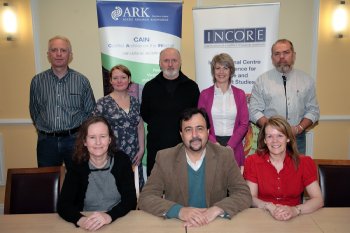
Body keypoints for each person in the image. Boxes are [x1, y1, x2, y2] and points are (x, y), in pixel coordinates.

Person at [138, 108, 252, 227]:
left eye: (200, 128)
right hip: (178, 225)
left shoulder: (224, 156)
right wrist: (179, 211)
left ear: (208, 132)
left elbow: (243, 193)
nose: (194, 135)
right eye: (188, 130)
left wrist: (217, 209)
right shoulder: (165, 158)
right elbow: (146, 197)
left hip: (214, 223)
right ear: (181, 134)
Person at [57, 116, 137, 231]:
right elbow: (63, 205)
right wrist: (81, 220)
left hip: (118, 219)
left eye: (103, 136)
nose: (98, 142)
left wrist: (109, 216)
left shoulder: (121, 160)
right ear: (84, 141)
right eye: (92, 137)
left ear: (109, 139)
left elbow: (130, 200)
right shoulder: (77, 164)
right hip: (88, 223)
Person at [29, 35, 95, 170]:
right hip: (47, 142)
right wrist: (44, 129)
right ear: (48, 54)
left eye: (63, 50)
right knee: (47, 182)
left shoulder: (82, 81)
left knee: (79, 182)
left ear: (70, 55)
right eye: (54, 50)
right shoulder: (37, 81)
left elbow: (90, 112)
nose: (59, 54)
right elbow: (34, 110)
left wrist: (82, 137)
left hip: (75, 140)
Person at [243, 116, 323, 221]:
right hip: (262, 215)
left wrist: (295, 210)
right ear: (265, 140)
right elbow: (251, 198)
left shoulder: (304, 162)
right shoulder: (252, 161)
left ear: (288, 138)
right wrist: (269, 206)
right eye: (270, 136)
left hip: (295, 217)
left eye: (280, 136)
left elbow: (318, 200)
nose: (274, 141)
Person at [248, 39, 320, 154]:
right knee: (267, 171)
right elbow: (254, 111)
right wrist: (275, 129)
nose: (281, 57)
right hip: (270, 138)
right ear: (272, 57)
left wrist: (298, 128)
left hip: (297, 138)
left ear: (294, 55)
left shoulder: (306, 80)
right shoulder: (262, 81)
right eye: (277, 53)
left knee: (296, 170)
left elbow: (313, 111)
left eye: (286, 52)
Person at [140, 48, 200, 176]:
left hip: (184, 147)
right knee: (156, 186)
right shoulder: (150, 87)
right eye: (166, 61)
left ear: (180, 62)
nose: (170, 64)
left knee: (183, 186)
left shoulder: (191, 87)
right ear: (160, 63)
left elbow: (197, 118)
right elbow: (145, 115)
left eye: (174, 60)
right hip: (157, 147)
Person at [93, 64, 145, 189]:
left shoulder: (136, 102)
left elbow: (140, 126)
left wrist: (142, 149)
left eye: (123, 77)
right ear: (110, 80)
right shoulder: (102, 103)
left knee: (134, 189)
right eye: (115, 78)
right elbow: (94, 129)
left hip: (133, 153)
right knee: (114, 189)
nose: (119, 81)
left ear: (129, 79)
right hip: (111, 153)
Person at [198, 53, 249, 170]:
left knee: (233, 186)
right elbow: (201, 124)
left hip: (234, 146)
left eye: (225, 68)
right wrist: (214, 144)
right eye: (218, 68)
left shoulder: (240, 94)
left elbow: (244, 124)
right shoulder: (204, 94)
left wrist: (230, 146)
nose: (221, 72)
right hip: (211, 145)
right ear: (213, 71)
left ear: (231, 71)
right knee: (212, 185)